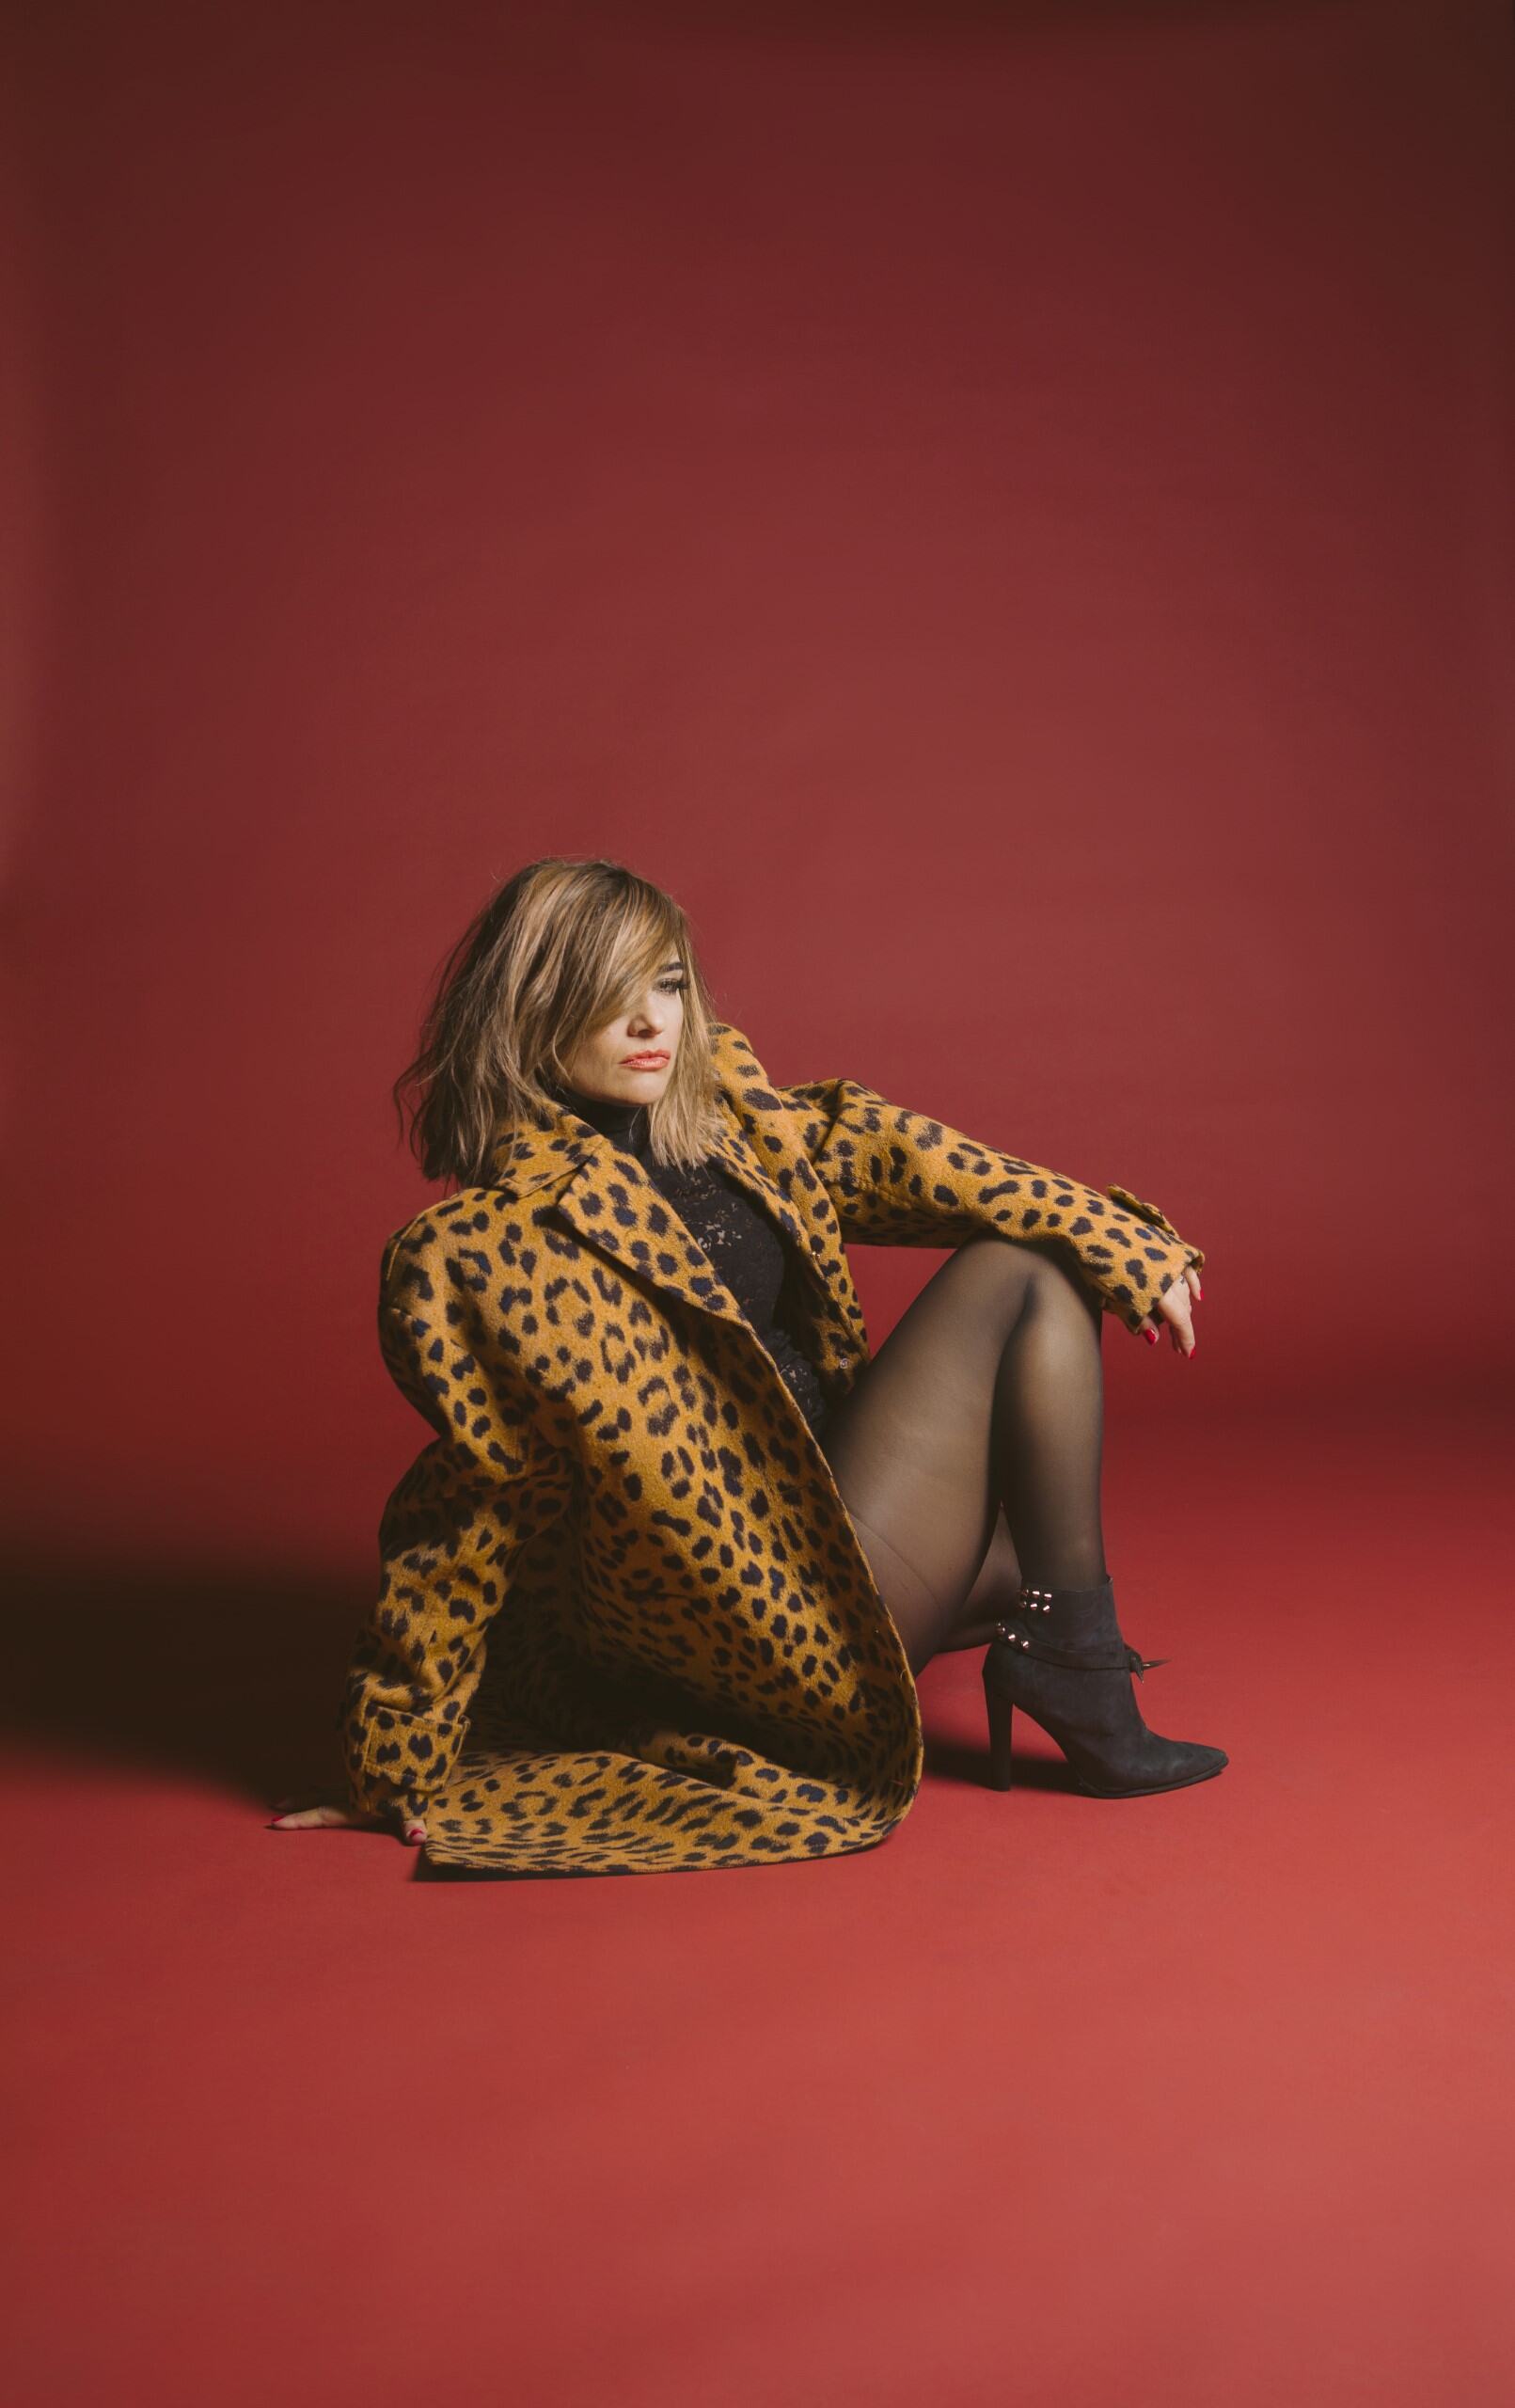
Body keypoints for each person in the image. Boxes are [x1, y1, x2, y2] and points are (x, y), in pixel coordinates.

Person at [273, 857, 1224, 1875]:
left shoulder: (726, 1118)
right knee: (1022, 1278)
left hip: (833, 1508)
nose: (652, 1023)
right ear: (534, 1008)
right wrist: (396, 1758)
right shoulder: (490, 1247)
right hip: (763, 1614)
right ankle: (1077, 1673)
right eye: (610, 993)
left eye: (668, 983)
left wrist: (1118, 1236)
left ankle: (1049, 1643)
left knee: (1033, 1495)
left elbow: (898, 1153)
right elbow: (464, 1515)